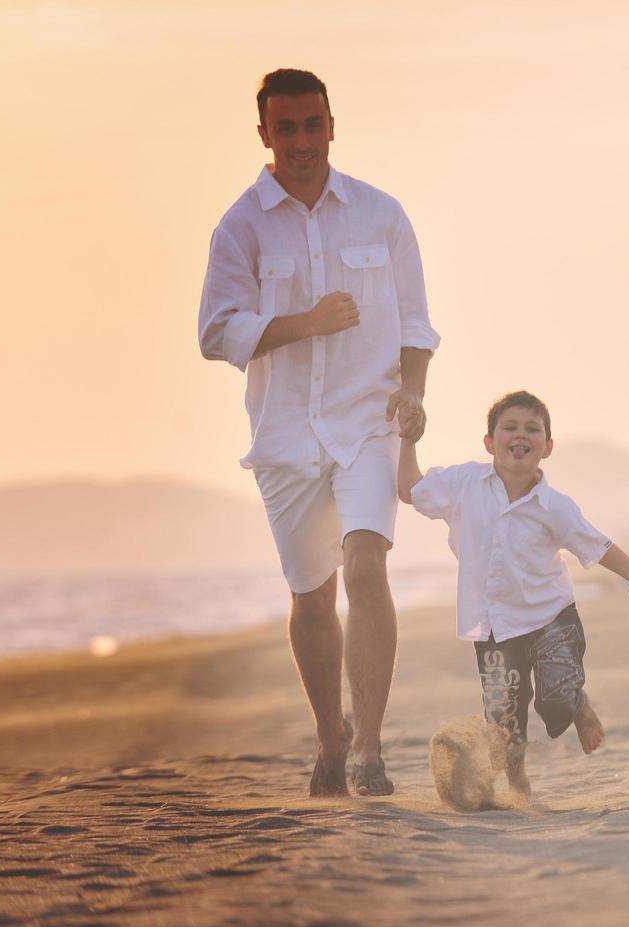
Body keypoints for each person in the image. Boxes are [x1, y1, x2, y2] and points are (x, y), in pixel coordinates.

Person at [198, 69, 438, 797]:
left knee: (367, 567)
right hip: (284, 436)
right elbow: (214, 332)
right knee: (312, 593)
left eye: (313, 124)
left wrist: (416, 395)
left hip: (369, 421)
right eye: (287, 128)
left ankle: (367, 750)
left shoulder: (381, 214)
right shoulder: (240, 226)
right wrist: (304, 323)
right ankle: (329, 738)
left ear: (332, 125)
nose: (302, 141)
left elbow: (417, 323)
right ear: (265, 134)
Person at [399, 391, 629, 802]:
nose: (520, 435)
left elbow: (595, 545)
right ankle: (517, 781)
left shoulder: (555, 506)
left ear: (547, 447)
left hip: (552, 618)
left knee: (556, 698)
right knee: (503, 721)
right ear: (489, 442)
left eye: (532, 430)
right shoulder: (463, 485)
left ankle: (577, 704)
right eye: (509, 427)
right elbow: (411, 491)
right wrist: (407, 441)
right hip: (494, 625)